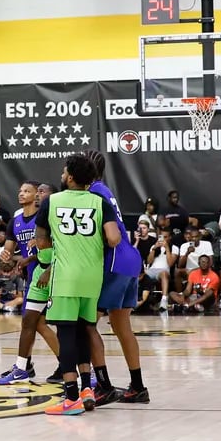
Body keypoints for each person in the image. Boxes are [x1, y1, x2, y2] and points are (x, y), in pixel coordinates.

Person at [35, 153, 121, 415]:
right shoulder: (99, 202)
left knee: (66, 333)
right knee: (86, 328)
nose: (61, 175)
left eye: (63, 172)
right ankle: (86, 389)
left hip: (66, 277)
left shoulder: (52, 201)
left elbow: (41, 241)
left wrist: (54, 252)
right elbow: (114, 238)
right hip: (92, 277)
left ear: (70, 177)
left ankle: (71, 397)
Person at [84, 149, 149, 406]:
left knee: (87, 325)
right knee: (122, 327)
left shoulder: (93, 193)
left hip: (113, 261)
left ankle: (104, 385)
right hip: (130, 260)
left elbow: (108, 236)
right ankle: (137, 386)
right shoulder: (105, 189)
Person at [0, 183, 61, 384]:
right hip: (31, 277)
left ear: (36, 196)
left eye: (27, 191)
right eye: (20, 191)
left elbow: (49, 250)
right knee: (33, 323)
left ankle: (58, 363)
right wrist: (5, 257)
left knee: (36, 323)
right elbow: (8, 255)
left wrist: (29, 259)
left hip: (47, 274)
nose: (21, 193)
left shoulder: (44, 217)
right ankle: (27, 364)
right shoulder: (14, 222)